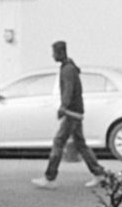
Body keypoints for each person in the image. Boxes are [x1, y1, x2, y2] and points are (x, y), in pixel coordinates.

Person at [32, 40, 106, 189]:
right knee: (81, 144)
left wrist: (63, 108)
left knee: (58, 142)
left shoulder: (67, 70)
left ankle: (50, 177)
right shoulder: (70, 67)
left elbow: (68, 90)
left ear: (60, 53)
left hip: (71, 112)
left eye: (54, 52)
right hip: (76, 112)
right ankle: (98, 173)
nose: (52, 55)